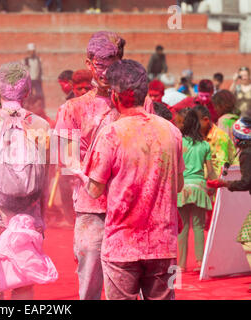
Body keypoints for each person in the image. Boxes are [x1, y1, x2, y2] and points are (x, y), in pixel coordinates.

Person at [84, 59, 185, 300]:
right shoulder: (171, 131)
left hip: (122, 245)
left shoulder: (111, 134)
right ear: (144, 94)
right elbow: (178, 185)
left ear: (116, 97)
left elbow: (95, 190)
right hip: (163, 245)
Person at [0, 62, 50, 300]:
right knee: (24, 281)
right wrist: (41, 217)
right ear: (27, 92)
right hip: (29, 218)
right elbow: (44, 177)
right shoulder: (42, 125)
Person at [54, 31, 125, 300]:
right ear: (88, 63)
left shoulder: (138, 105)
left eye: (113, 64)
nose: (106, 72)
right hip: (90, 208)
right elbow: (64, 159)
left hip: (131, 208)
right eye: (100, 65)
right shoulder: (72, 109)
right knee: (90, 281)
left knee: (125, 284)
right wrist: (89, 179)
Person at [207, 117, 251, 293]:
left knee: (247, 240)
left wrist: (225, 184)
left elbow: (247, 182)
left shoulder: (247, 154)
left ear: (238, 138)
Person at [176, 108, 217, 272]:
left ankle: (181, 264)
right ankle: (200, 262)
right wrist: (213, 186)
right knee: (199, 226)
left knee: (183, 227)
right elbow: (211, 170)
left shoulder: (179, 143)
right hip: (199, 187)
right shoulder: (205, 145)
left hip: (182, 188)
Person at [193, 104, 236, 177]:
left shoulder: (220, 137)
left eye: (196, 124)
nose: (193, 127)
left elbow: (221, 167)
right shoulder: (197, 135)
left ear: (206, 120)